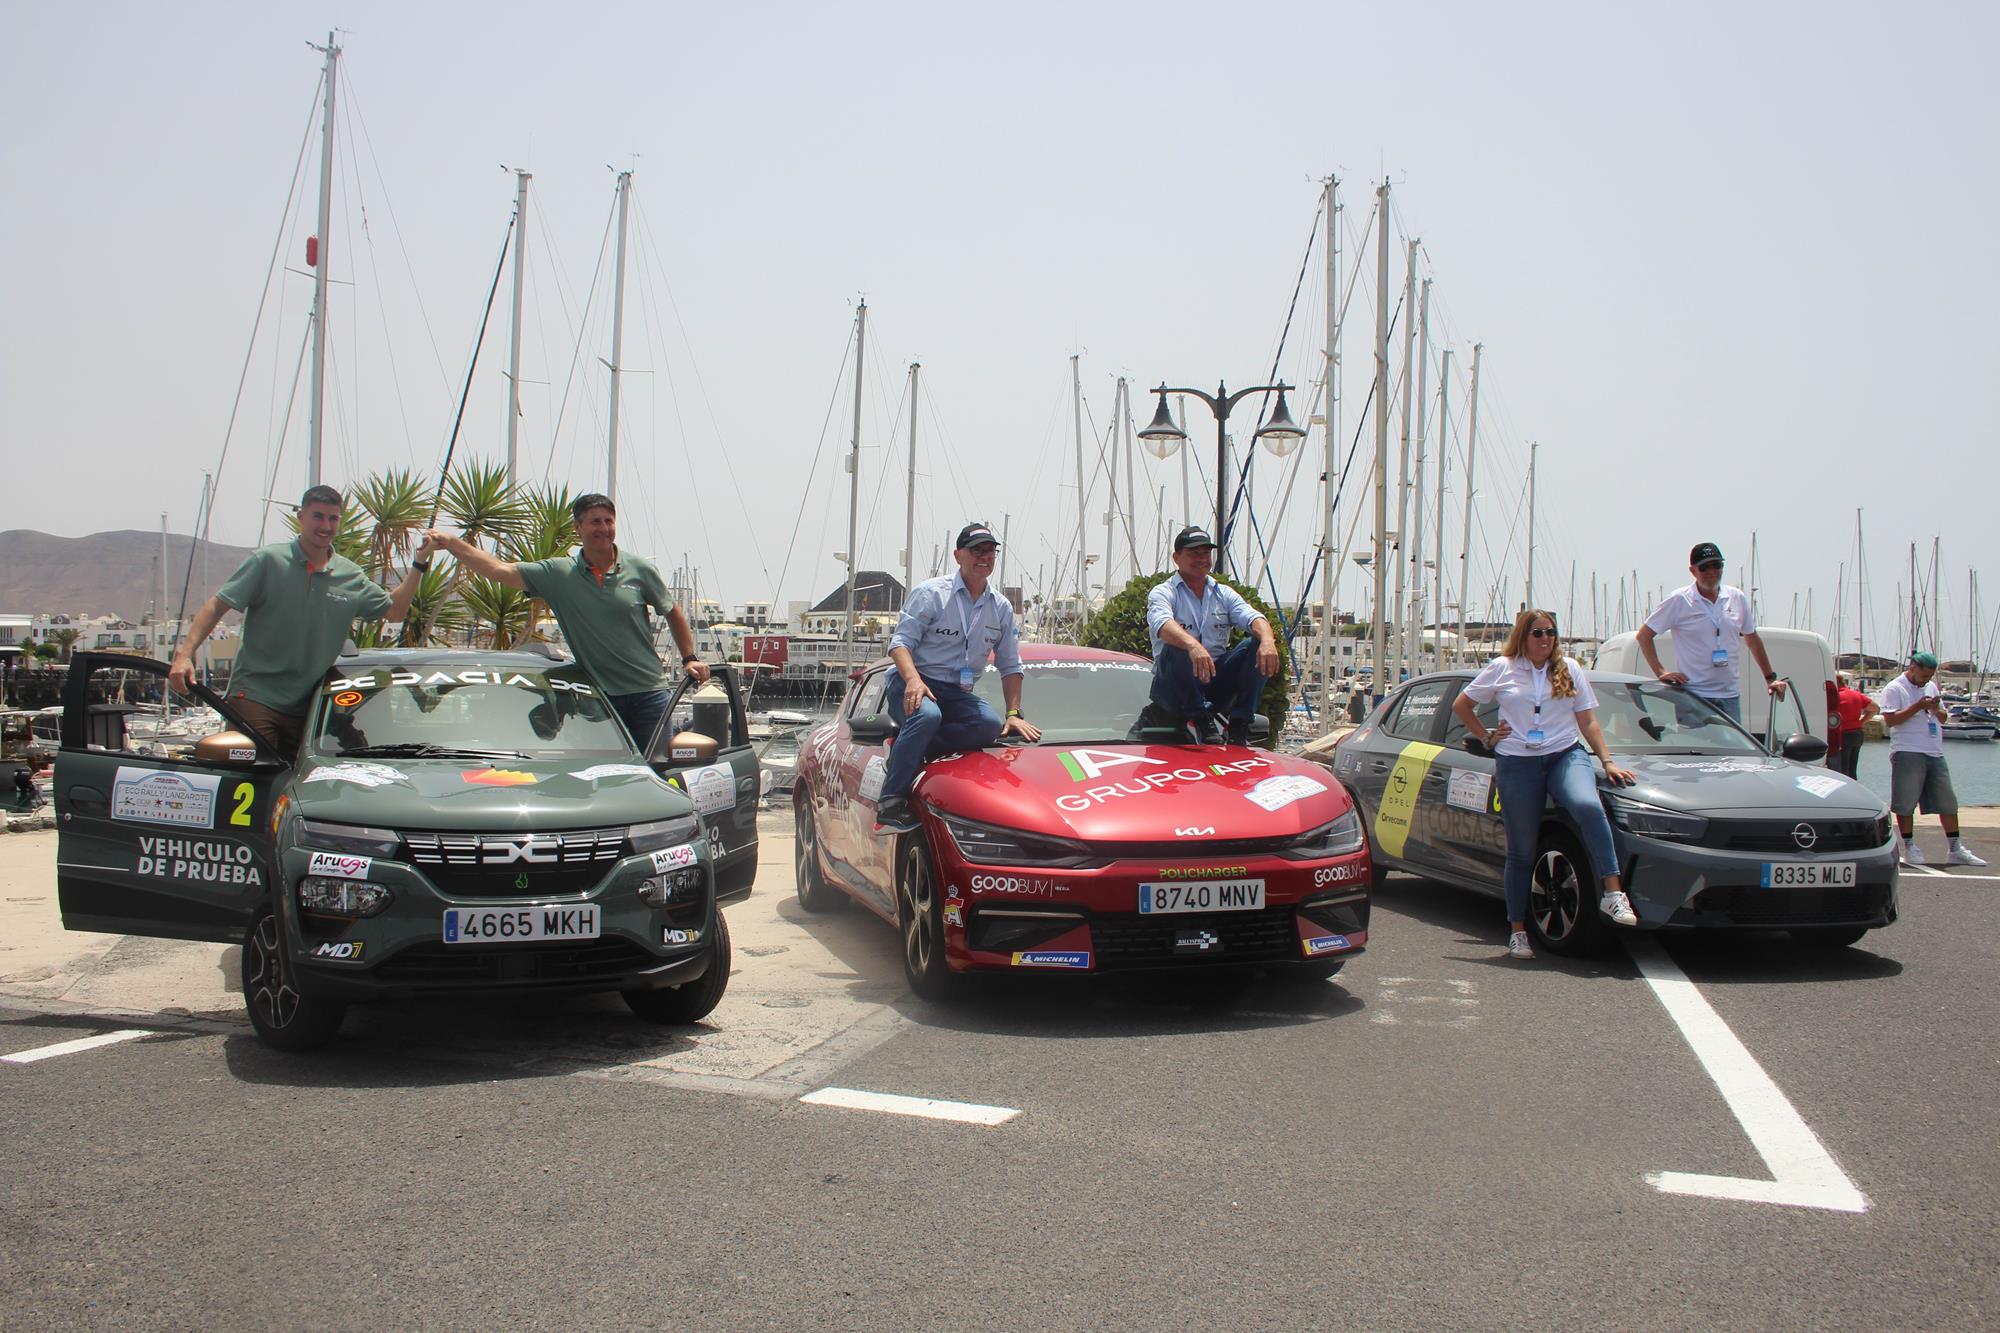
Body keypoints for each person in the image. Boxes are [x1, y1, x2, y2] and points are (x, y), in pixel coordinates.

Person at [169, 485, 433, 757]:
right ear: (301, 517)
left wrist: (419, 564)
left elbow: (396, 612)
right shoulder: (268, 561)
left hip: (310, 708)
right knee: (256, 779)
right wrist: (183, 656)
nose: (325, 525)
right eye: (318, 516)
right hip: (256, 698)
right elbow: (216, 606)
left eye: (333, 518)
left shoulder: (349, 575)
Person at [425, 493, 704, 748]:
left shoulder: (639, 569)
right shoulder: (558, 574)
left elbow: (672, 611)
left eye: (609, 521)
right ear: (577, 528)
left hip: (648, 693)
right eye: (595, 521)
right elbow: (498, 569)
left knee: (654, 774)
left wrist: (689, 657)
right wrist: (452, 543)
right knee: (600, 775)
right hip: (599, 698)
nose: (604, 528)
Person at [1451, 609, 1639, 961]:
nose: (1546, 638)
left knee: (1587, 805)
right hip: (1517, 762)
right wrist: (1487, 737)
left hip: (1563, 754)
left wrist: (1608, 760)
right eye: (1538, 632)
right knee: (1521, 851)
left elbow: (1588, 720)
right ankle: (1518, 931)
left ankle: (1613, 894)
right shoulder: (1502, 667)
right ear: (1524, 636)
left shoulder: (1569, 668)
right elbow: (1463, 705)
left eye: (1551, 632)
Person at [875, 522, 1041, 833]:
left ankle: (904, 749)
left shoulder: (1001, 607)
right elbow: (899, 645)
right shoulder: (931, 593)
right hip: (912, 681)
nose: (985, 556)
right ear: (958, 555)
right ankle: (890, 803)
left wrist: (1014, 713)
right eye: (977, 550)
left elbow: (1010, 665)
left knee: (989, 725)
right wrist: (913, 681)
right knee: (927, 717)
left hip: (955, 690)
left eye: (990, 551)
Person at [1145, 526, 1280, 744]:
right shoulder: (1164, 591)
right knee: (1175, 646)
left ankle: (1239, 724)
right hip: (1174, 689)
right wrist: (1193, 646)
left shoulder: (1223, 592)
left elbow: (1253, 617)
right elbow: (1162, 625)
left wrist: (1267, 641)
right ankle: (1200, 718)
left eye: (1205, 554)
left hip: (1213, 683)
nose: (1201, 559)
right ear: (1176, 558)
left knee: (1255, 644)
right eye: (1193, 554)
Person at [1636, 542, 1787, 723]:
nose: (1712, 572)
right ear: (1693, 571)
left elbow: (1752, 639)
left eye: (1717, 565)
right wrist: (1661, 672)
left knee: (1733, 751)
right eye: (1704, 567)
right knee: (1696, 750)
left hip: (1729, 695)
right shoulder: (1680, 600)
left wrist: (1770, 679)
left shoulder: (1736, 597)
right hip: (1693, 695)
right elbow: (1644, 636)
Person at [1877, 650, 1985, 866]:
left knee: (1948, 801)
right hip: (1907, 750)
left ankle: (1955, 848)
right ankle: (1909, 847)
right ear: (1912, 668)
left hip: (1934, 751)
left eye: (1929, 676)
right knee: (1905, 803)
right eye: (1923, 675)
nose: (1926, 680)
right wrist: (1918, 706)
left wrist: (1935, 708)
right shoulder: (1894, 688)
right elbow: (1890, 721)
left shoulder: (1931, 687)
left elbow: (1944, 717)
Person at [1832, 671, 1879, 778]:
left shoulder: (1836, 697)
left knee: (1842, 769)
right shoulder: (1856, 694)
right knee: (1852, 768)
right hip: (1857, 733)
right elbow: (1875, 708)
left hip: (1843, 734)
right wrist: (1862, 721)